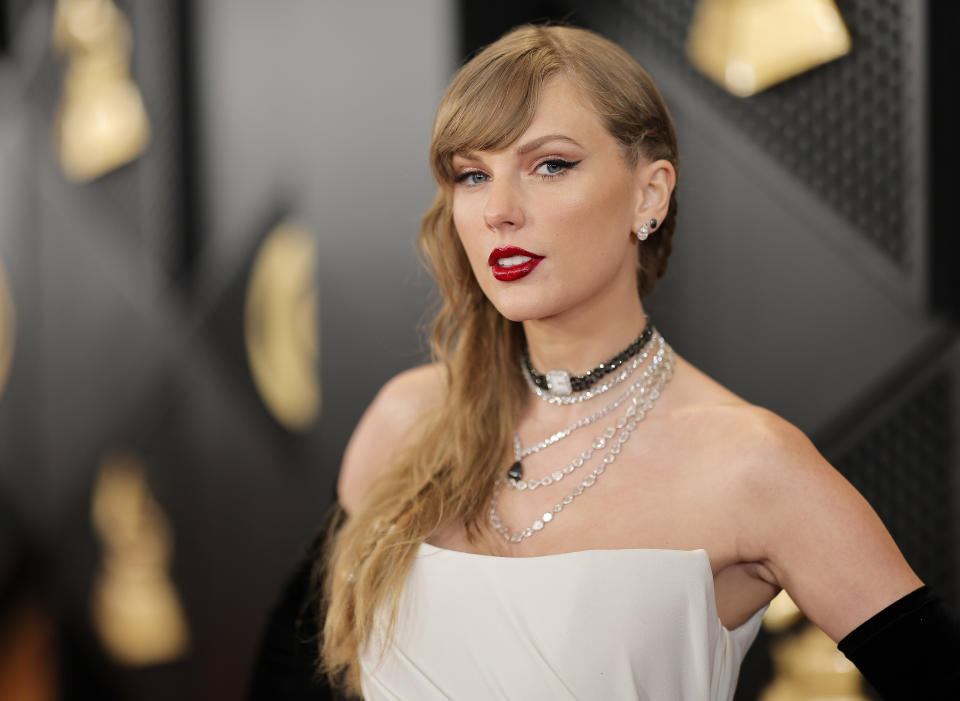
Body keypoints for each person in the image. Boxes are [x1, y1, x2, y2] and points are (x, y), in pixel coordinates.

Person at [249, 23, 960, 701]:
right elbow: (290, 678)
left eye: (549, 164)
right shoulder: (407, 418)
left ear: (649, 194)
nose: (499, 208)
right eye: (471, 175)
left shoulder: (752, 465)